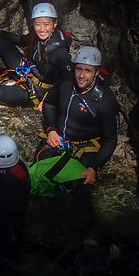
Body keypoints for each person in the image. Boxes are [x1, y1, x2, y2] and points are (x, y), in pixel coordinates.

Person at [39, 46, 119, 185]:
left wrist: (94, 167)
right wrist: (51, 130)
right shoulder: (65, 81)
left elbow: (110, 139)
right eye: (79, 69)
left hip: (85, 149)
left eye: (87, 70)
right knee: (39, 174)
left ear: (96, 72)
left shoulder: (105, 100)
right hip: (57, 139)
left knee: (74, 184)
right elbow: (49, 104)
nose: (81, 76)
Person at [0, 2, 73, 109]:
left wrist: (51, 100)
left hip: (35, 91)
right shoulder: (38, 36)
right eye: (37, 24)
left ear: (54, 24)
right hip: (27, 71)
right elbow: (21, 40)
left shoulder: (58, 50)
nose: (41, 29)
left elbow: (70, 75)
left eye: (46, 24)